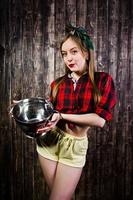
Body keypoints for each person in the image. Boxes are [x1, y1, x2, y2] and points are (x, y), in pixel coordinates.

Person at [36, 24, 117, 200]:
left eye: (74, 52)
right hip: (49, 141)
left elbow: (100, 120)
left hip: (75, 146)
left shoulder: (103, 81)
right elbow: (50, 112)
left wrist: (62, 116)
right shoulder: (57, 84)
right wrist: (29, 105)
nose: (68, 58)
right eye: (64, 54)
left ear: (86, 53)